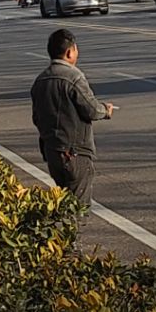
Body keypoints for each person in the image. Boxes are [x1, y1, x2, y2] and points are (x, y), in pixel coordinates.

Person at [30, 27, 116, 203]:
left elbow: (36, 118)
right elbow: (91, 109)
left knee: (64, 201)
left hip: (52, 151)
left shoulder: (40, 80)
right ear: (69, 52)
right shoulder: (73, 77)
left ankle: (62, 230)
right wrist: (105, 110)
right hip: (74, 152)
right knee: (78, 206)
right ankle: (72, 231)